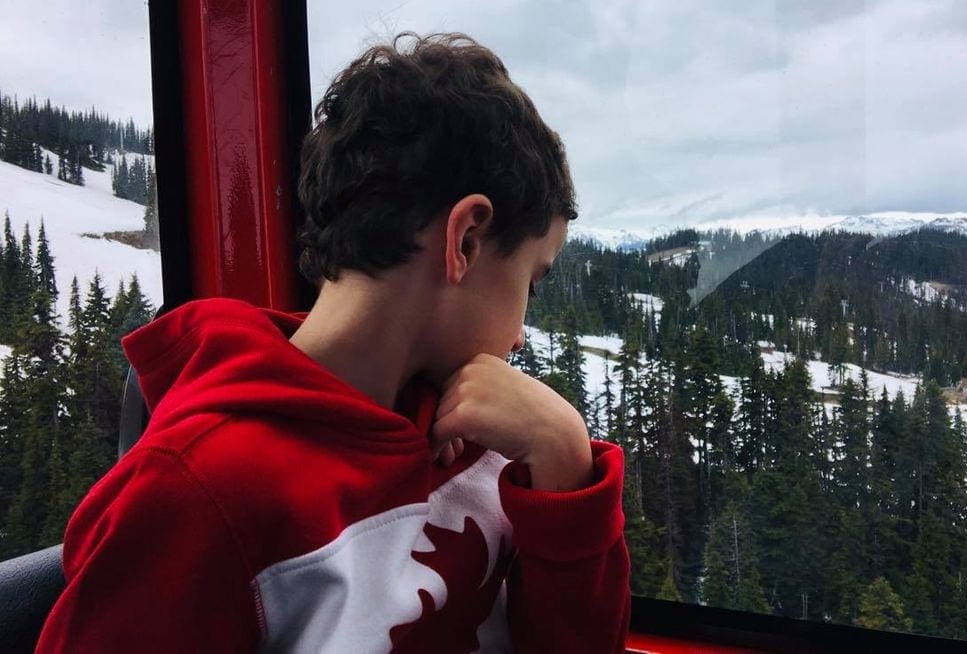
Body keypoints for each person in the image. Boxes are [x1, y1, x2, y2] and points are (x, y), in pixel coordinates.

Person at [37, 32, 630, 652]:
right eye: (529, 284)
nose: (517, 335)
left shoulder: (485, 433)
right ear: (467, 242)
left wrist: (565, 463)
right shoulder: (198, 497)